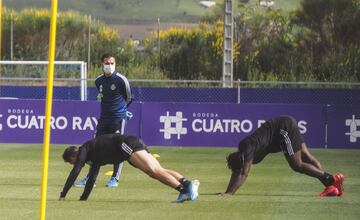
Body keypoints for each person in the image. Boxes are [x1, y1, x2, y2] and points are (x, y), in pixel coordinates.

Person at [222, 115, 344, 197]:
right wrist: (227, 191)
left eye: (237, 169)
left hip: (283, 129)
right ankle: (332, 187)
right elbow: (237, 172)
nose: (236, 172)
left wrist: (229, 193)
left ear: (242, 161)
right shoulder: (243, 152)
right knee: (307, 157)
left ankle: (332, 180)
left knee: (297, 165)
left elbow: (243, 173)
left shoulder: (247, 149)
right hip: (284, 125)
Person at [59, 134, 200, 202]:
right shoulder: (92, 156)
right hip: (129, 146)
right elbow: (92, 177)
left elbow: (75, 171)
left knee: (154, 171)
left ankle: (184, 190)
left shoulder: (83, 150)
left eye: (71, 162)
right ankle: (187, 184)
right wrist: (83, 199)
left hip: (126, 145)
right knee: (156, 171)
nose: (73, 164)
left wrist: (63, 195)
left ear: (73, 155)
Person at [74, 53, 132, 188]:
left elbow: (129, 98)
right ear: (102, 64)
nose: (109, 66)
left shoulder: (121, 80)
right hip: (103, 119)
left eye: (112, 63)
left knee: (119, 148)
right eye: (107, 63)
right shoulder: (98, 81)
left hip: (118, 119)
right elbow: (102, 96)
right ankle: (90, 179)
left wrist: (123, 111)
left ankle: (115, 178)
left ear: (115, 64)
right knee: (95, 147)